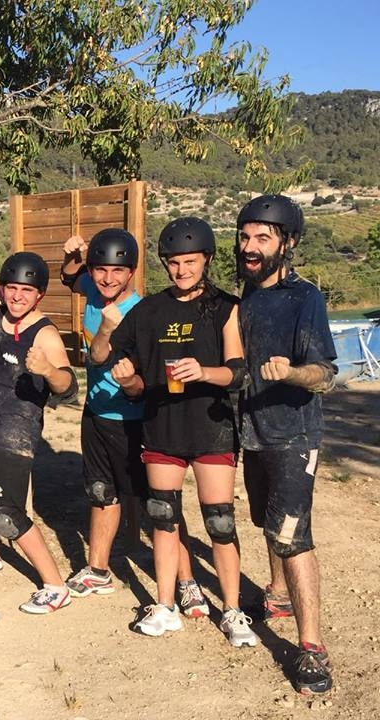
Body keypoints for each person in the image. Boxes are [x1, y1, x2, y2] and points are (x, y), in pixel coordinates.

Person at [90, 217, 257, 647]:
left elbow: (238, 373)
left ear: (207, 260)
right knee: (163, 517)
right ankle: (165, 606)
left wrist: (204, 371)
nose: (181, 270)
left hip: (212, 427)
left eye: (190, 262)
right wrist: (126, 376)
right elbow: (104, 357)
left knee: (220, 521)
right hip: (161, 428)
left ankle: (233, 610)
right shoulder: (149, 310)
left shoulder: (226, 307)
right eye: (174, 263)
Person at [60, 229, 208, 617]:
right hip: (96, 414)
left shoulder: (144, 314)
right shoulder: (93, 290)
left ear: (132, 272)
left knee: (161, 506)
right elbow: (70, 276)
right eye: (100, 269)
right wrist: (73, 254)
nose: (108, 278)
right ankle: (98, 570)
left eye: (118, 271)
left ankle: (187, 582)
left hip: (135, 420)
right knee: (101, 493)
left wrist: (129, 385)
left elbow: (141, 379)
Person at [0, 204, 78, 615]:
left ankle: (55, 585)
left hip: (16, 432)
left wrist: (49, 371)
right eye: (11, 288)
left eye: (26, 291)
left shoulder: (45, 334)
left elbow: (68, 387)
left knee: (6, 511)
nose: (17, 296)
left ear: (39, 294)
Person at [236, 195, 337, 694]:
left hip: (293, 436)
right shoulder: (247, 295)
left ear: (288, 242)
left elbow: (325, 374)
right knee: (265, 521)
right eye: (245, 237)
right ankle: (276, 594)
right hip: (252, 433)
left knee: (292, 536)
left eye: (263, 237)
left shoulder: (305, 298)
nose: (250, 247)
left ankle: (312, 647)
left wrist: (292, 372)